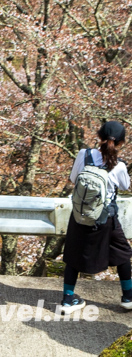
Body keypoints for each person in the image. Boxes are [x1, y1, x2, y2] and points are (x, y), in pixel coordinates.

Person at [58, 120, 132, 315]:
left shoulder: (84, 154)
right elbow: (125, 186)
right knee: (123, 253)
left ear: (99, 137)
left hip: (80, 215)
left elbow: (74, 179)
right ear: (121, 143)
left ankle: (68, 299)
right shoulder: (119, 165)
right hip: (105, 219)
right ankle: (128, 297)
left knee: (73, 254)